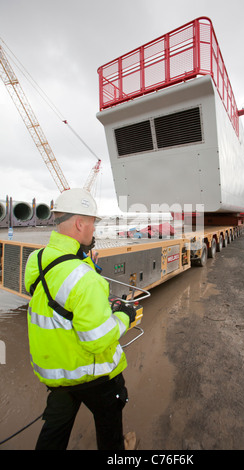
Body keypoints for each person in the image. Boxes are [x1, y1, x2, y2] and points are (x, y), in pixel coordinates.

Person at [24, 188, 137, 450]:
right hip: (95, 376)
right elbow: (98, 340)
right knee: (110, 432)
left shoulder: (37, 260)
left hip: (57, 375)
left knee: (54, 434)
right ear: (79, 223)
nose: (94, 231)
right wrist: (124, 314)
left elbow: (57, 298)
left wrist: (85, 265)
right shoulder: (86, 279)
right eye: (93, 224)